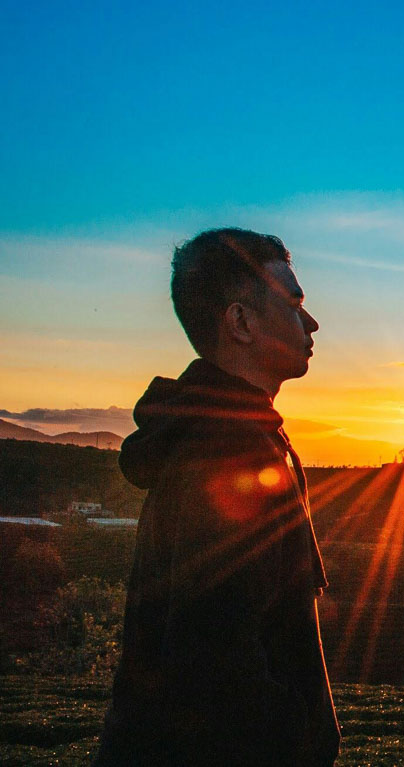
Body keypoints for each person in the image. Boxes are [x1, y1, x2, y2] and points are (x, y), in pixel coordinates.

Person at [94, 228, 340, 766]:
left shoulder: (227, 433)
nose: (312, 321)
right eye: (295, 303)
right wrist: (296, 738)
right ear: (241, 322)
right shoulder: (229, 453)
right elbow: (212, 658)